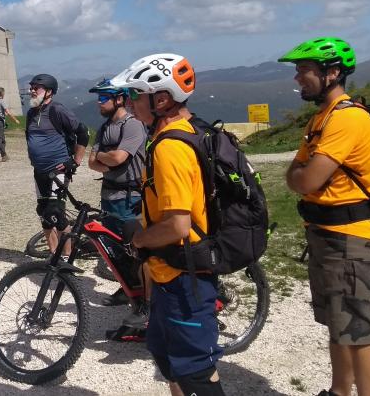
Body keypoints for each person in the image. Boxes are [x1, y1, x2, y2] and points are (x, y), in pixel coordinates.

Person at [112, 53, 226, 396]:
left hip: (184, 278)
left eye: (136, 95)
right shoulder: (181, 132)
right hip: (168, 276)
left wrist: (140, 240)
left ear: (161, 99)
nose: (130, 104)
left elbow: (177, 225)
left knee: (196, 373)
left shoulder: (171, 148)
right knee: (169, 360)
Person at [280, 37, 370, 396]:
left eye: (304, 70)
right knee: (338, 325)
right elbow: (296, 174)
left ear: (332, 73)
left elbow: (304, 177)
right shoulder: (321, 118)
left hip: (348, 238)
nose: (297, 78)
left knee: (358, 332)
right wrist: (300, 175)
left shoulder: (347, 119)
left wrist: (301, 176)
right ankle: (339, 391)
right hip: (327, 235)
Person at [87, 78, 148, 312]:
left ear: (119, 99)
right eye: (98, 98)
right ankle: (129, 290)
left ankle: (143, 298)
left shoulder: (132, 125)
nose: (99, 103)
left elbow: (119, 158)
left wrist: (106, 156)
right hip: (109, 196)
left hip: (130, 198)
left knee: (133, 248)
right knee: (114, 250)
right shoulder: (104, 128)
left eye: (103, 98)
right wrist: (108, 157)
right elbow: (93, 164)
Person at [25, 74, 88, 255]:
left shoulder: (57, 110)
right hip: (39, 170)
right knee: (44, 213)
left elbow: (82, 133)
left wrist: (75, 161)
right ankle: (54, 255)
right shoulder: (31, 113)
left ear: (49, 92)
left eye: (36, 88)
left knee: (56, 213)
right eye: (32, 88)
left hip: (57, 168)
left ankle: (67, 256)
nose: (32, 91)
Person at [0, 87, 20, 162]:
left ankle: (4, 156)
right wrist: (15, 120)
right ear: (2, 93)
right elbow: (7, 112)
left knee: (2, 140)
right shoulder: (1, 101)